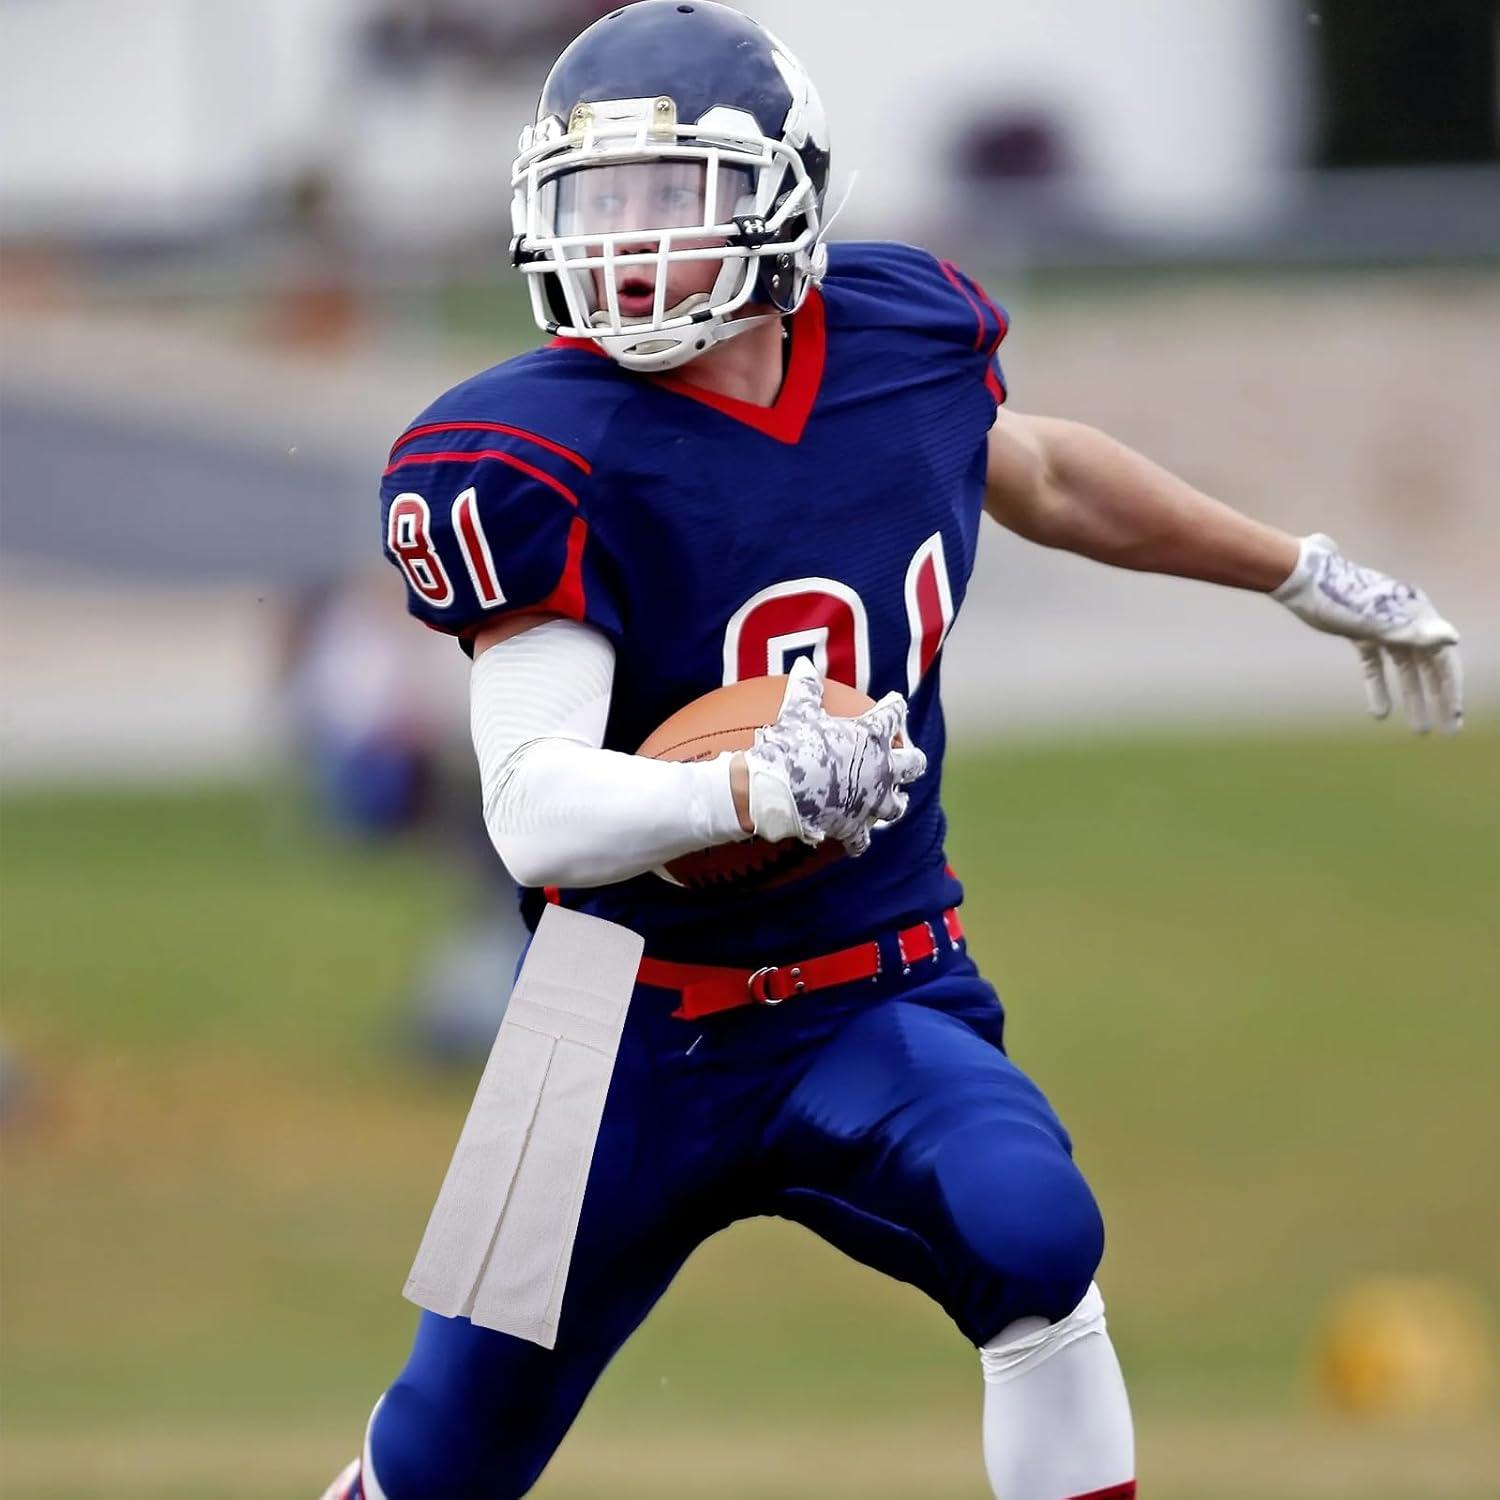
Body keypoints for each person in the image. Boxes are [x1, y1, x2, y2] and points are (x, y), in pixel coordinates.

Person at [324, 5, 1463, 1497]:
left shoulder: (901, 337)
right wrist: (753, 787)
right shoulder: (533, 451)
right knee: (440, 1456)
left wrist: (1294, 568)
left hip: (872, 980)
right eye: (597, 202)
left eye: (671, 197)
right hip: (606, 1011)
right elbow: (534, 813)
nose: (626, 243)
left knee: (1036, 1242)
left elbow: (1037, 466)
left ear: (787, 193)